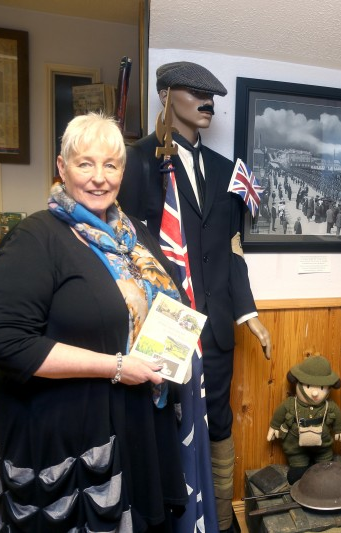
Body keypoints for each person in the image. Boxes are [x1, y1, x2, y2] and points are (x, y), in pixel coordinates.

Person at [0, 113, 188, 531]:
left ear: (123, 172)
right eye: (85, 163)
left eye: (110, 165)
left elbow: (172, 300)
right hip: (69, 437)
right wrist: (115, 366)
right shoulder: (36, 238)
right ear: (62, 167)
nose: (99, 178)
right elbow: (6, 342)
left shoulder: (136, 235)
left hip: (138, 423)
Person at [117, 61, 272, 533]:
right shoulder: (138, 162)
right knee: (167, 428)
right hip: (166, 324)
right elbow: (129, 247)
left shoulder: (228, 171)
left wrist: (249, 314)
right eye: (196, 93)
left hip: (218, 327)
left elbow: (232, 249)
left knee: (219, 426)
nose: (208, 103)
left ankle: (222, 520)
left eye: (213, 96)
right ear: (167, 95)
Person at [267, 355, 341, 484]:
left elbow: (338, 417)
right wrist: (274, 426)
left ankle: (323, 463)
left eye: (321, 388)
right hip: (296, 445)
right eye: (309, 386)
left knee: (326, 469)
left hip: (323, 446)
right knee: (297, 473)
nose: (315, 394)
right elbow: (279, 414)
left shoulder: (329, 406)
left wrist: (339, 430)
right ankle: (299, 465)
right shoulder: (290, 404)